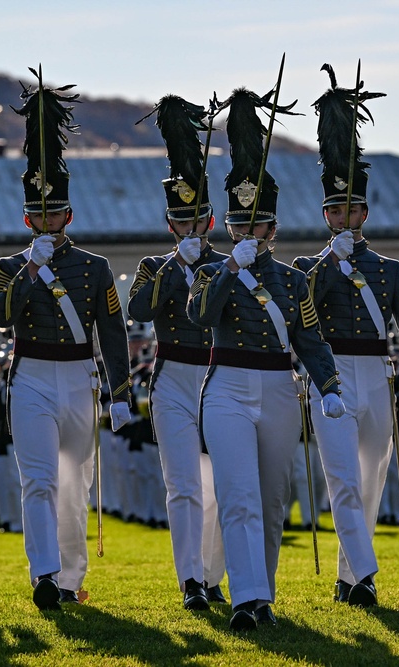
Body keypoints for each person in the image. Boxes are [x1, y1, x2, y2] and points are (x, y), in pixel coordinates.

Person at [186, 87, 344, 631]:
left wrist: (329, 386)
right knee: (238, 495)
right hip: (226, 385)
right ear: (229, 229)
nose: (249, 234)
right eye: (239, 227)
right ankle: (245, 599)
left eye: (257, 227)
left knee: (273, 502)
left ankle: (264, 594)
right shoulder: (213, 274)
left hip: (278, 388)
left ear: (272, 229)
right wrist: (232, 269)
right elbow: (200, 316)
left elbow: (309, 339)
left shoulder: (294, 280)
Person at [292, 64, 399, 607]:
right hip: (331, 373)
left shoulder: (391, 270)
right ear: (325, 214)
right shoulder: (310, 264)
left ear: (365, 211)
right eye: (334, 209)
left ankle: (348, 575)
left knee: (372, 478)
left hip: (378, 373)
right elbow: (304, 309)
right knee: (343, 478)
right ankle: (367, 576)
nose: (343, 216)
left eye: (350, 208)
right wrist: (332, 261)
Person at [0, 74, 132, 611]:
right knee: (39, 481)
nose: (47, 221)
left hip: (77, 375)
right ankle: (44, 575)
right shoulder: (9, 267)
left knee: (76, 486)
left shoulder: (94, 268)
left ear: (67, 214)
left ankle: (72, 577)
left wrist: (119, 391)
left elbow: (112, 333)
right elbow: (0, 317)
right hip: (30, 375)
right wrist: (31, 271)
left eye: (55, 213)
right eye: (38, 214)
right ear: (28, 218)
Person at [128, 95, 228, 611]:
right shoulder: (153, 266)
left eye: (196, 222)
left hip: (218, 375)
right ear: (172, 226)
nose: (188, 230)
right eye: (180, 223)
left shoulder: (230, 265)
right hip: (172, 378)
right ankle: (190, 580)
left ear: (209, 222)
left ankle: (212, 575)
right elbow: (139, 308)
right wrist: (173, 266)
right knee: (183, 484)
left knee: (219, 486)